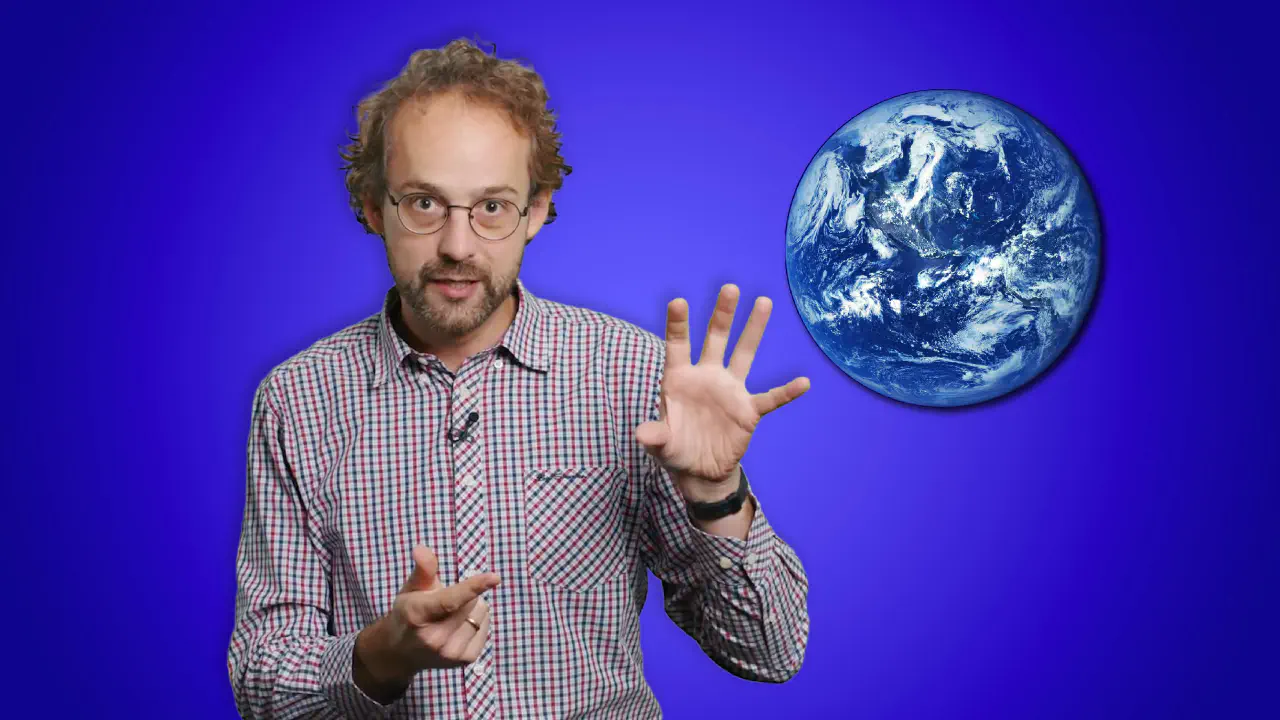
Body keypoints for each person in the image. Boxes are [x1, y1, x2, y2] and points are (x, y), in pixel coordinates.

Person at [226, 37, 811, 719]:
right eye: (423, 203)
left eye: (492, 207)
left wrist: (717, 495)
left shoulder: (633, 376)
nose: (457, 244)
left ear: (535, 211)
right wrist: (381, 654)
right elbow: (262, 681)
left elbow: (771, 652)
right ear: (372, 207)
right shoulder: (299, 400)